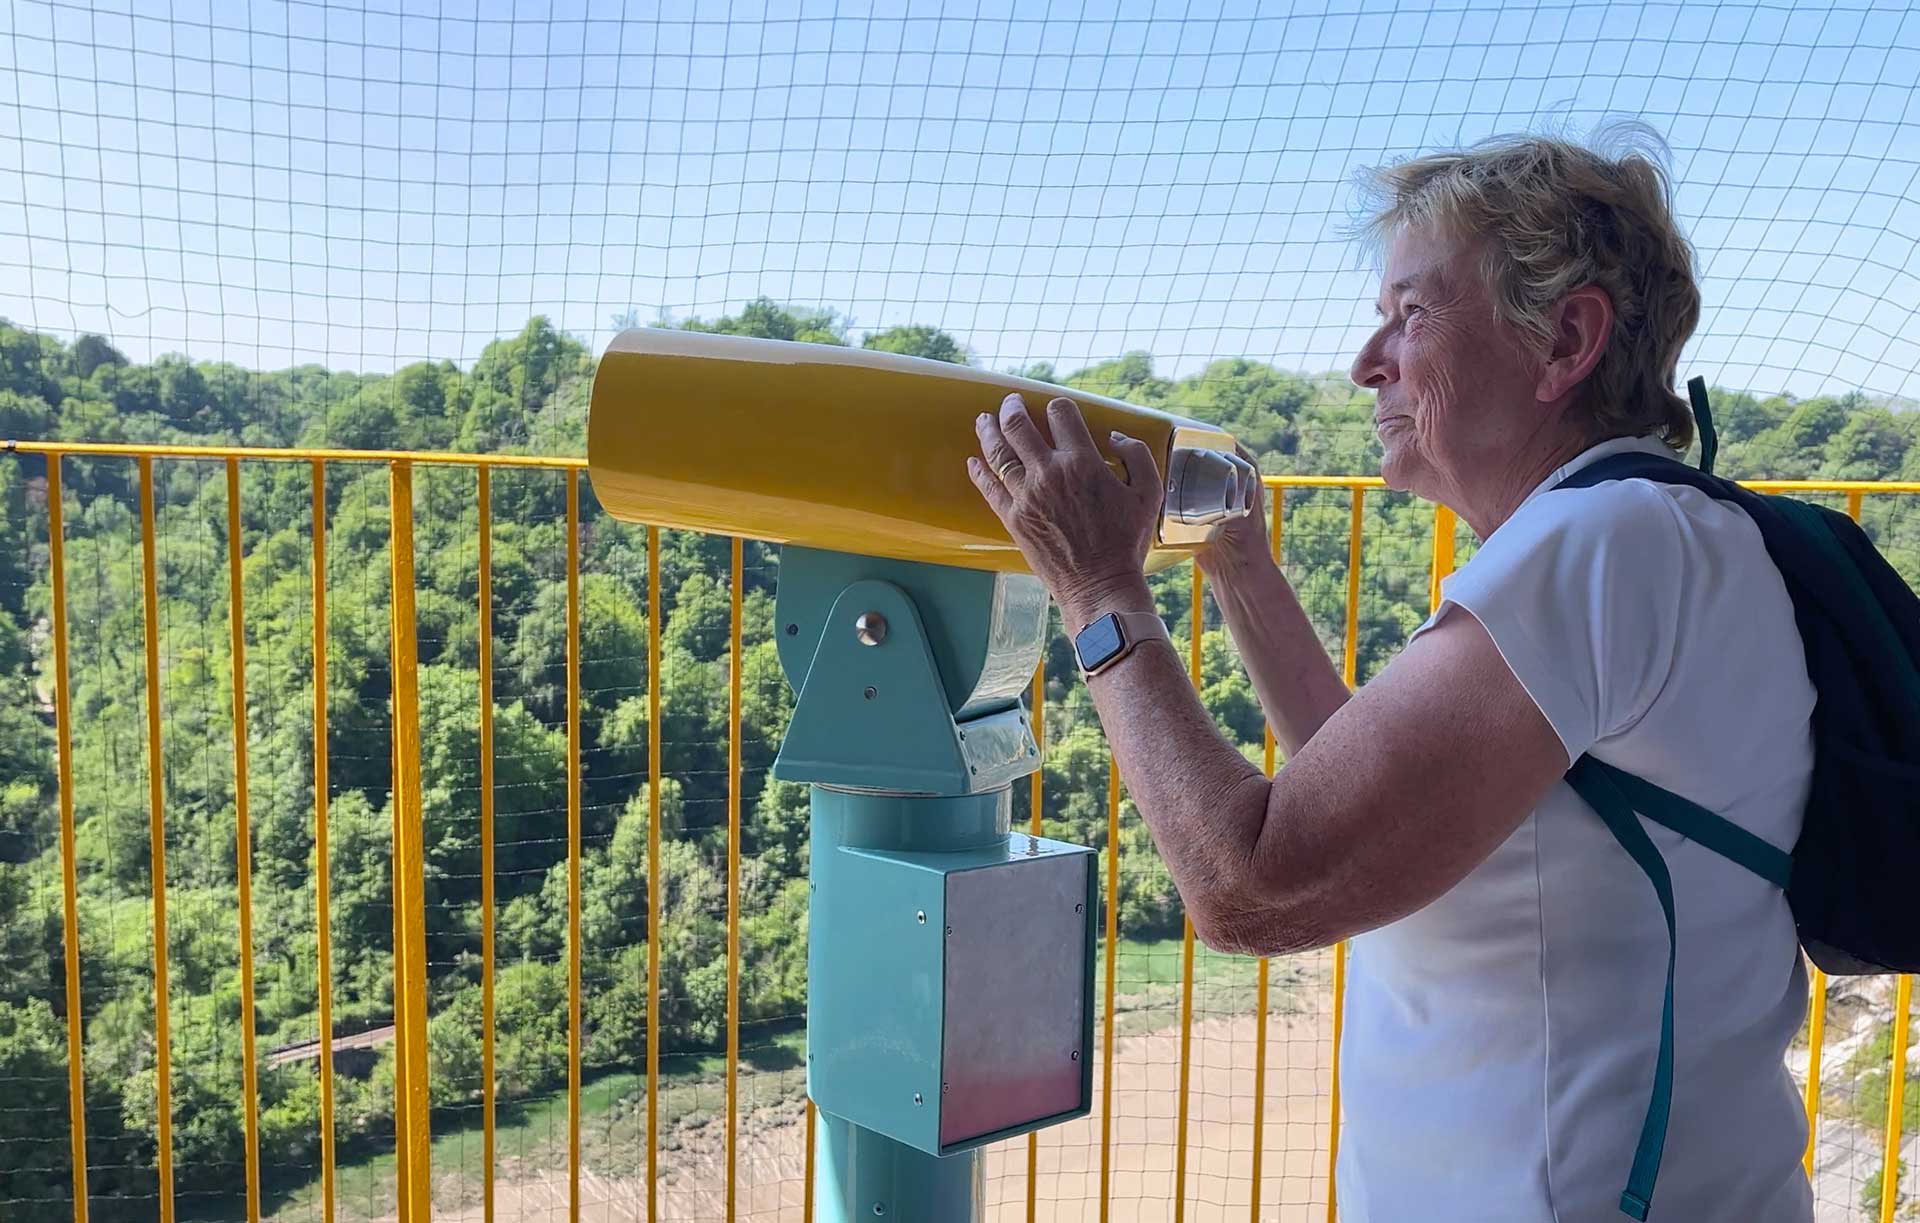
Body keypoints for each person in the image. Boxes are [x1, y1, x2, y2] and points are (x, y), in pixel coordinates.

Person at [965, 129, 1815, 1222]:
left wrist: (1096, 591)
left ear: (1566, 338)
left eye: (1412, 315)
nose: (1369, 360)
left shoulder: (1597, 549)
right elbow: (1361, 795)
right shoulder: (1660, 537)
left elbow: (1254, 884)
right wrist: (1241, 562)